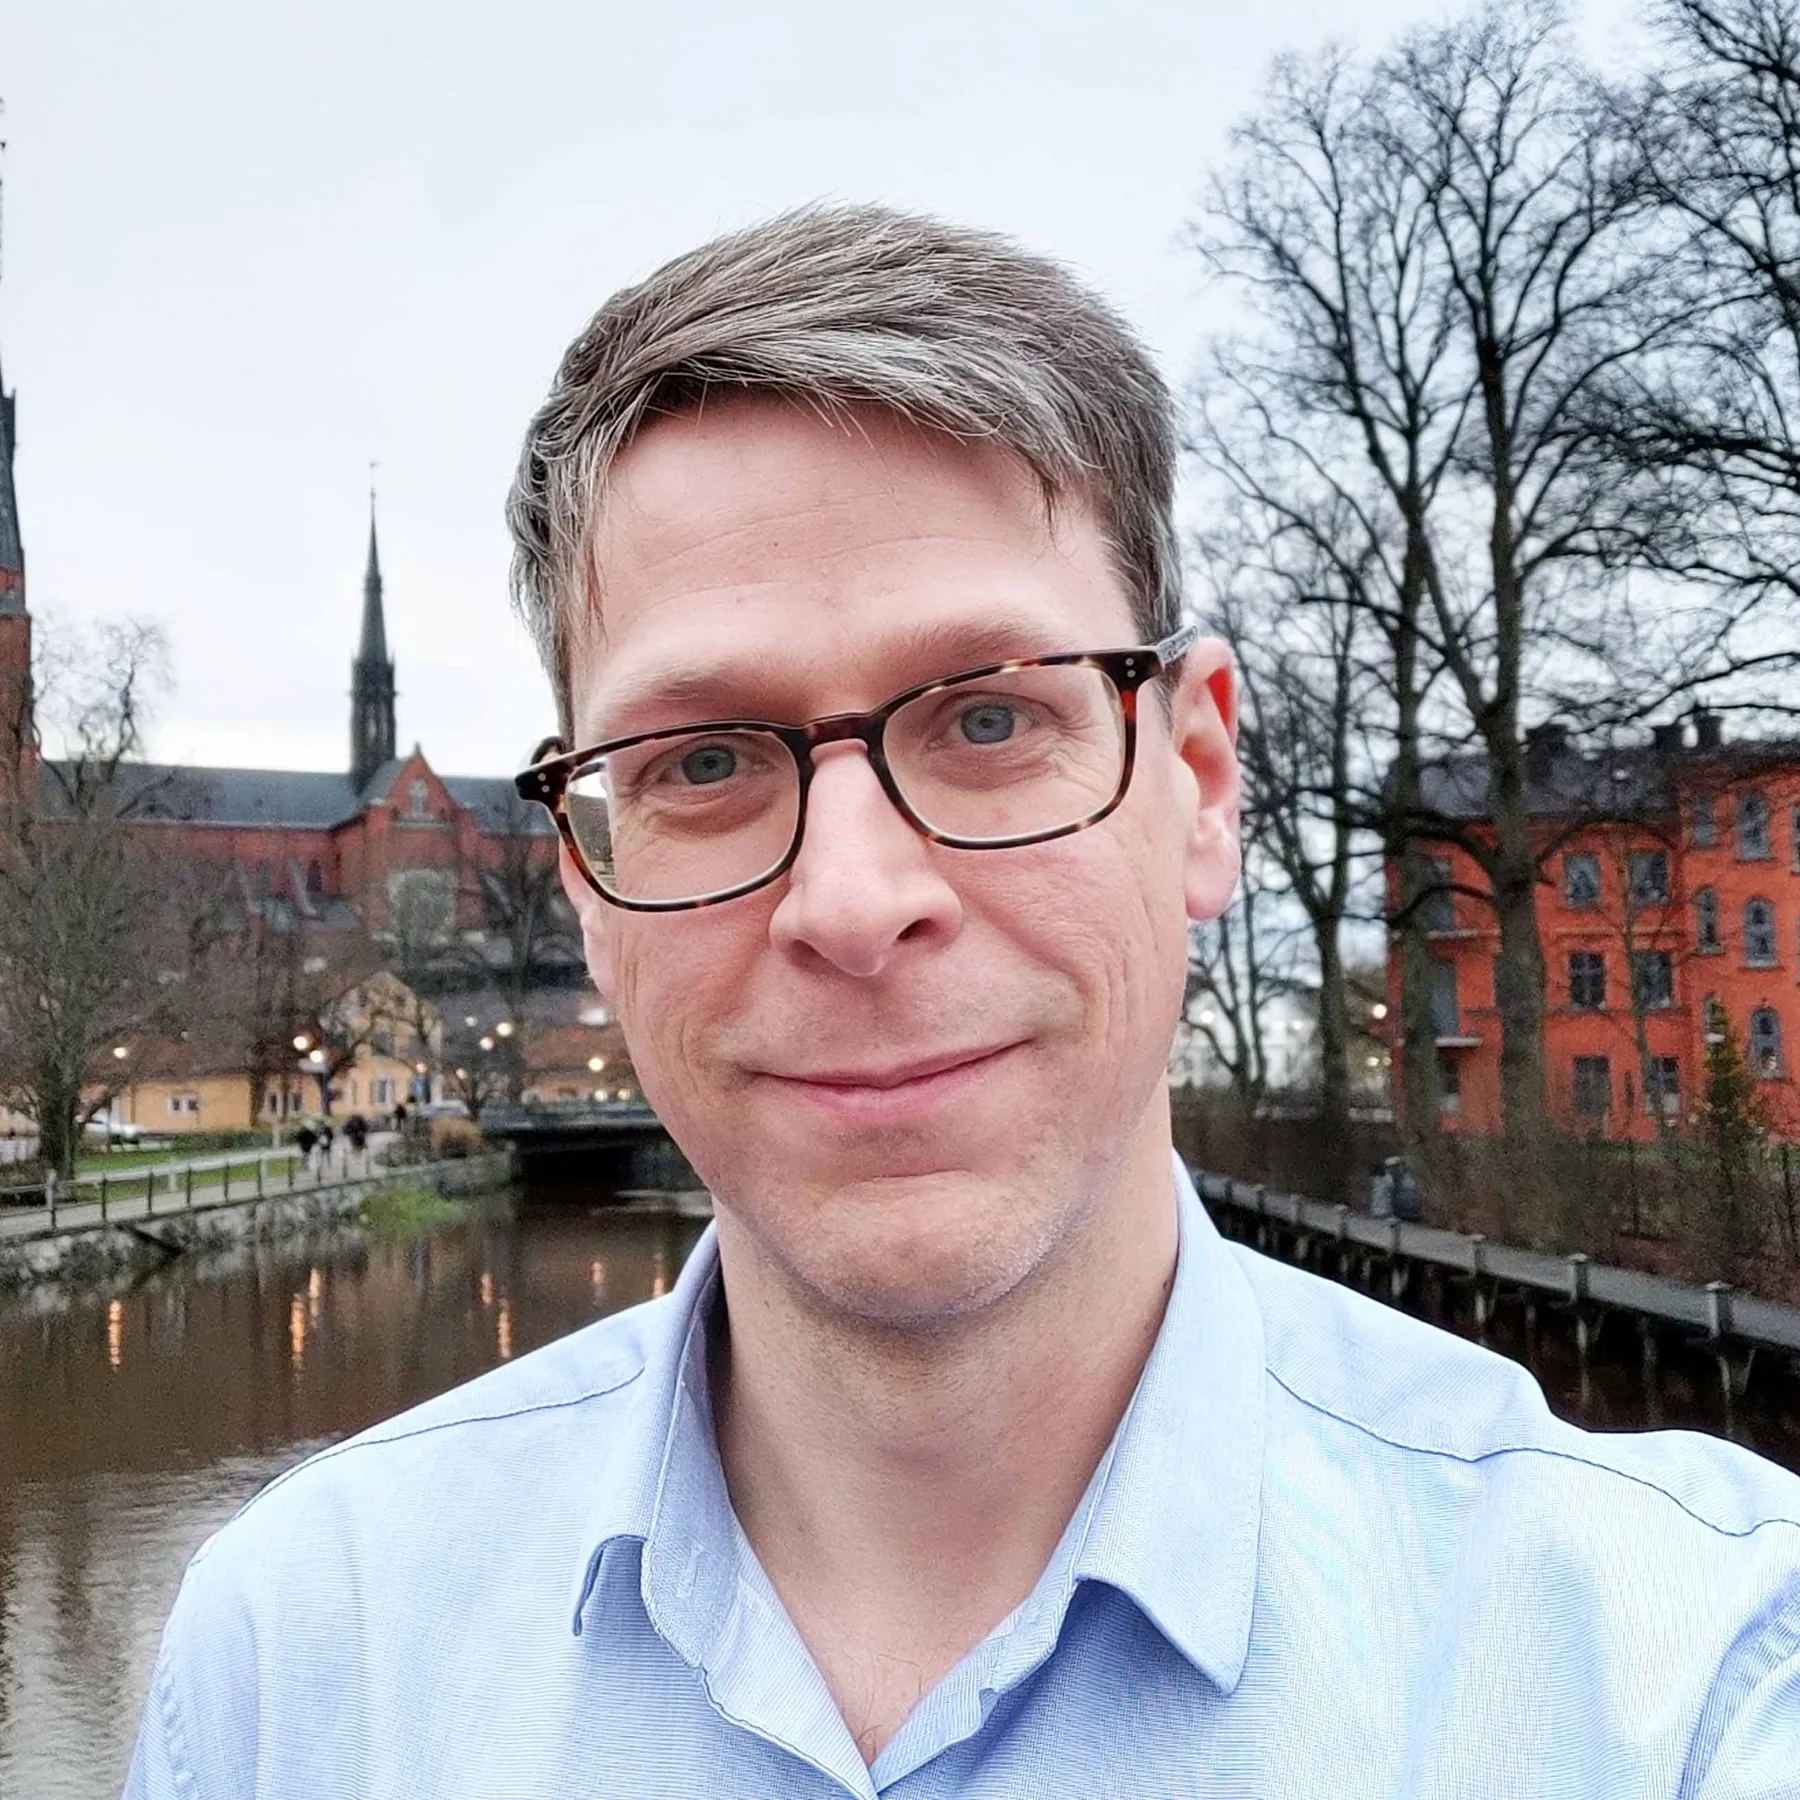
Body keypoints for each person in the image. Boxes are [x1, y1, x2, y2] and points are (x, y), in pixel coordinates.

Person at [125, 206, 1799, 1799]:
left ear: (1200, 785)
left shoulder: (1682, 1675)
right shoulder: (299, 1664)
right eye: (702, 762)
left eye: (990, 722)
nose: (852, 902)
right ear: (582, 878)